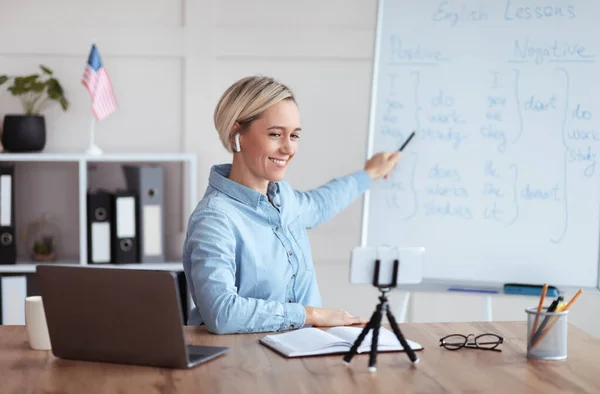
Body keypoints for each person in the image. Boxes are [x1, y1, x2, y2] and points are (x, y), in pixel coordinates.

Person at [182, 76, 401, 334]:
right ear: (236, 132)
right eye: (275, 134)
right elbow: (222, 313)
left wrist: (369, 174)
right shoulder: (215, 218)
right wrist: (313, 315)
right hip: (241, 364)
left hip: (301, 354)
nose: (288, 148)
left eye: (294, 135)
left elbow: (319, 205)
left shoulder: (283, 197)